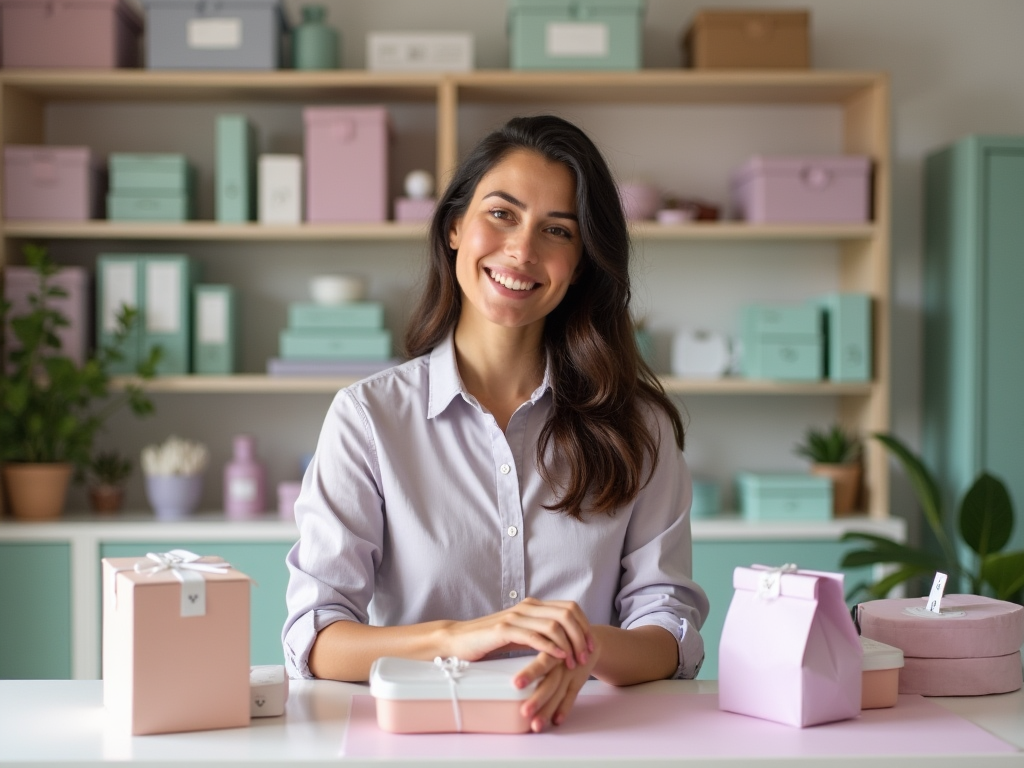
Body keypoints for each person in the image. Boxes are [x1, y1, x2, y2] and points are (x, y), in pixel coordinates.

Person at [283, 114, 709, 733]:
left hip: (588, 742)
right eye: (501, 214)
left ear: (581, 261)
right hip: (424, 741)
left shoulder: (638, 428)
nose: (522, 251)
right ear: (455, 226)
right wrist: (460, 638)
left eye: (556, 230)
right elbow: (316, 639)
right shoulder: (368, 419)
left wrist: (580, 647)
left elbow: (670, 629)